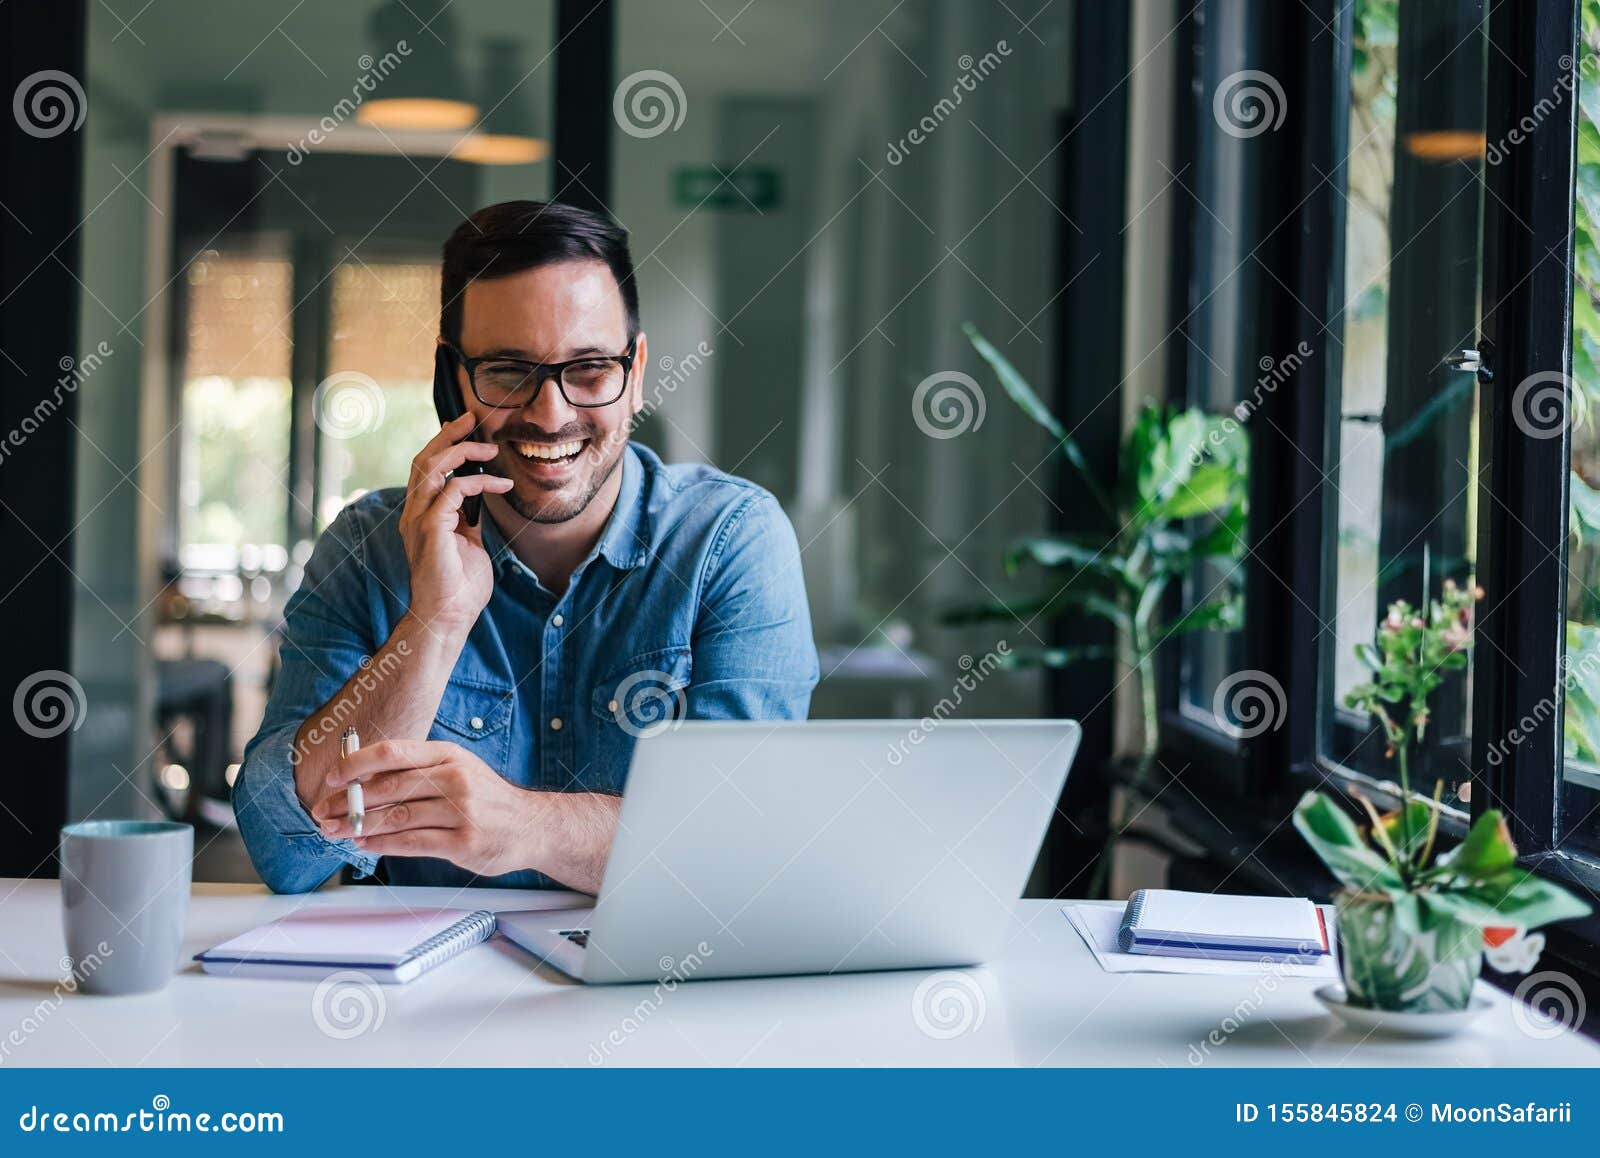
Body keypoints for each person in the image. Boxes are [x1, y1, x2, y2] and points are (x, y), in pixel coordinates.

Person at [233, 200, 818, 894]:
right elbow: (284, 852)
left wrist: (525, 827)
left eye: (590, 368)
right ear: (453, 381)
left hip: (652, 990)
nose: (551, 413)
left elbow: (744, 848)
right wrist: (435, 622)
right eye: (509, 371)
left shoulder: (730, 542)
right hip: (426, 996)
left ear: (636, 372)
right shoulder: (367, 548)